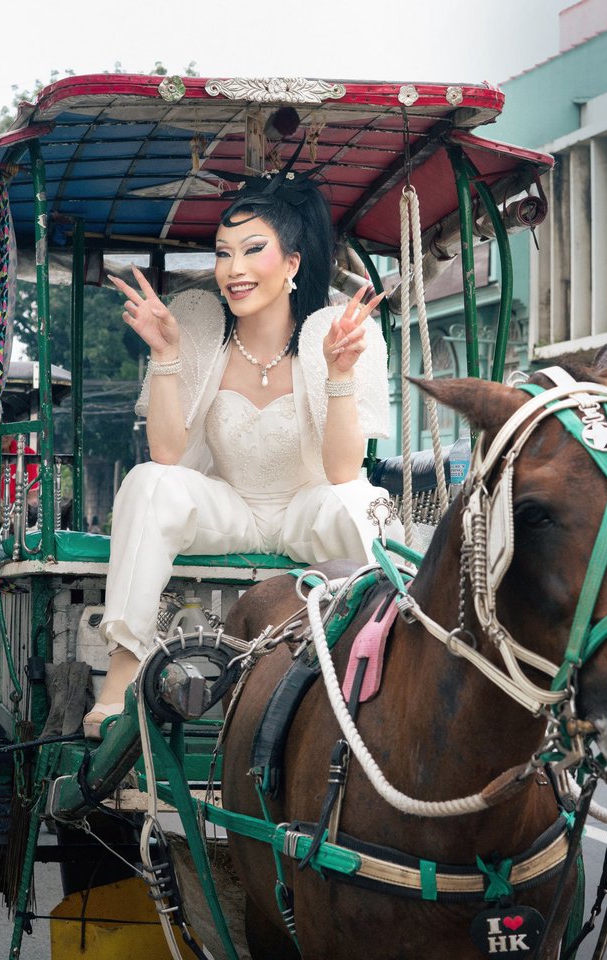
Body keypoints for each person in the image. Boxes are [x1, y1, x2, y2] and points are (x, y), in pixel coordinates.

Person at [85, 161, 404, 736]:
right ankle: (126, 663)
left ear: (292, 264)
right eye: (222, 253)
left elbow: (341, 471)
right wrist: (166, 356)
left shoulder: (339, 332)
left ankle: (387, 663)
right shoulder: (199, 328)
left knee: (362, 502)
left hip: (307, 509)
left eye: (253, 250)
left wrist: (338, 372)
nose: (233, 269)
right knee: (148, 481)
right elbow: (167, 454)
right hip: (231, 507)